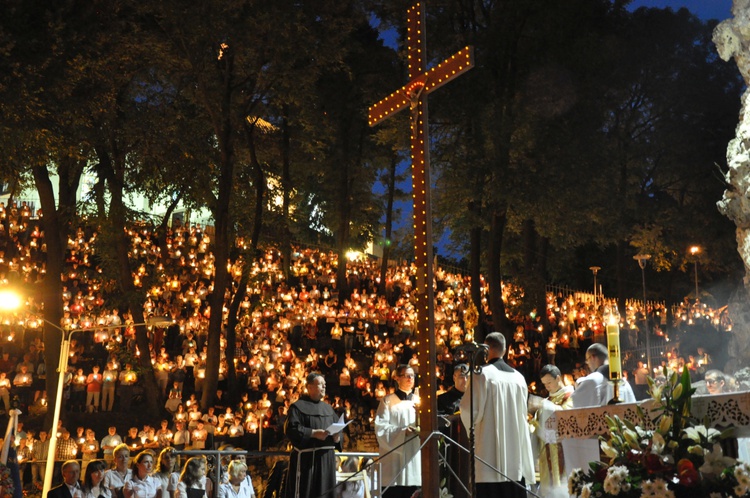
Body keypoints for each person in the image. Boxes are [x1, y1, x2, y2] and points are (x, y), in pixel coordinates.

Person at [459, 332, 534, 498]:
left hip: (488, 453)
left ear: (485, 350)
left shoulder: (481, 374)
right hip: (515, 455)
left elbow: (470, 411)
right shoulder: (519, 378)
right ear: (505, 350)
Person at [283, 372, 340, 498]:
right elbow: (291, 429)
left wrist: (337, 437)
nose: (324, 387)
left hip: (326, 461)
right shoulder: (297, 407)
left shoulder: (328, 409)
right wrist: (313, 434)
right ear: (309, 387)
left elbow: (338, 426)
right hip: (307, 461)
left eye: (325, 385)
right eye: (320, 384)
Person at [375, 365, 421, 498]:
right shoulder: (387, 401)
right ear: (397, 378)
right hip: (393, 461)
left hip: (414, 456)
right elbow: (381, 428)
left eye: (412, 376)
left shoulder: (420, 402)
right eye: (406, 375)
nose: (410, 378)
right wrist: (402, 432)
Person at [530, 364, 574, 498]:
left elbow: (567, 417)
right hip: (546, 453)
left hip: (564, 452)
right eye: (544, 384)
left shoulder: (570, 396)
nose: (547, 387)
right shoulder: (546, 401)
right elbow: (536, 427)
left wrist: (544, 405)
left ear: (558, 378)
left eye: (549, 382)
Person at [571, 343, 635, 407]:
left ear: (593, 357)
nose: (588, 364)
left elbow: (577, 410)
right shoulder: (625, 383)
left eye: (587, 360)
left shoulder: (592, 381)